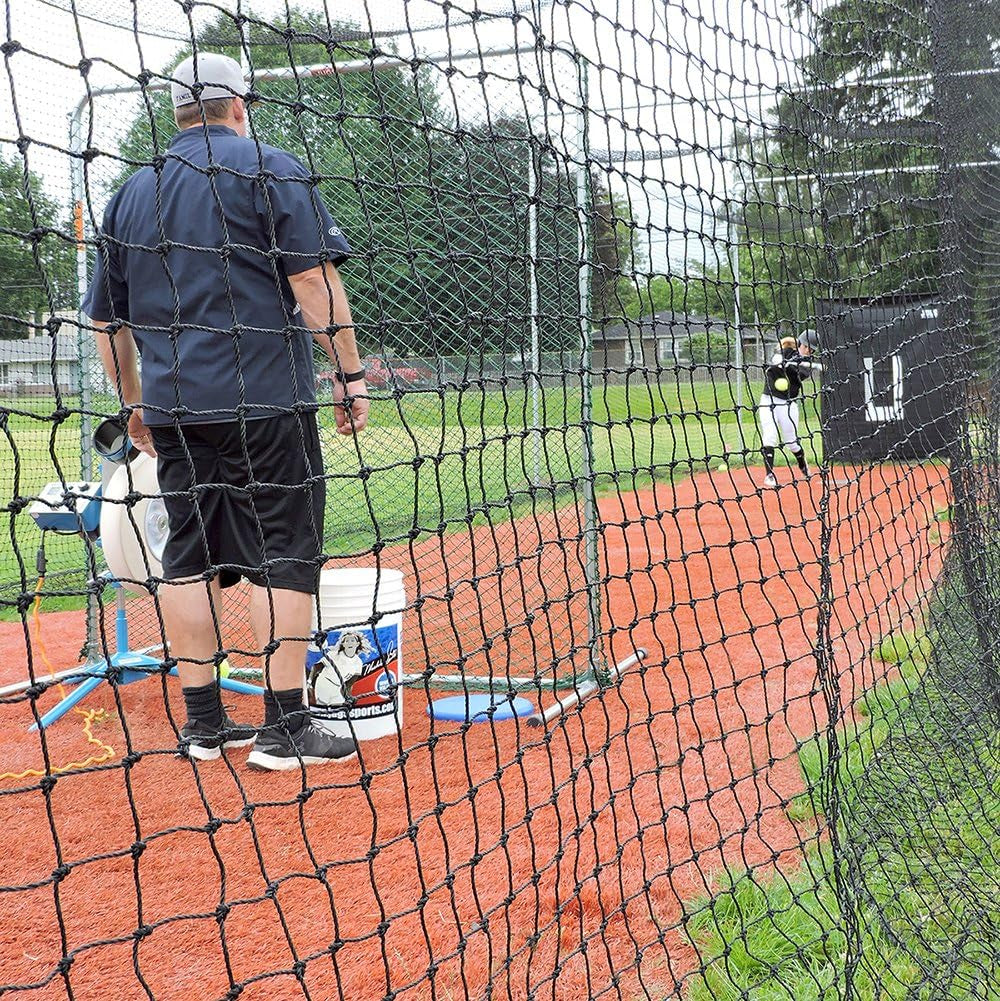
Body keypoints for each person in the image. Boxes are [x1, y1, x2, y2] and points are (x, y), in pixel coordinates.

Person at [83, 52, 370, 770]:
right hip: (265, 399)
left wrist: (133, 403)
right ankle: (284, 727)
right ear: (239, 105)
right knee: (285, 552)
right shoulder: (269, 166)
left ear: (179, 113)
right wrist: (350, 374)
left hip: (176, 407)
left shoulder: (132, 191)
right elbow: (311, 278)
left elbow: (106, 323)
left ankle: (205, 727)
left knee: (188, 554)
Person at [757, 330, 820, 488]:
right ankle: (769, 474)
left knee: (791, 442)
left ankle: (803, 465)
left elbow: (797, 374)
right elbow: (773, 362)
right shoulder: (785, 352)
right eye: (806, 347)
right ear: (800, 343)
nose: (808, 351)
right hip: (769, 400)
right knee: (770, 436)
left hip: (788, 404)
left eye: (811, 350)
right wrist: (779, 360)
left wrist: (789, 366)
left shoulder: (807, 365)